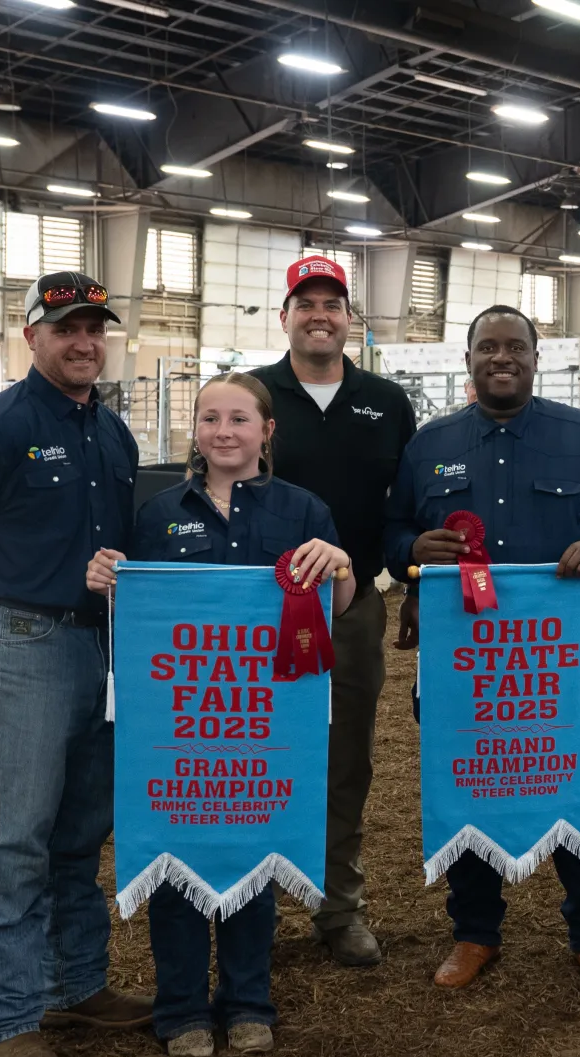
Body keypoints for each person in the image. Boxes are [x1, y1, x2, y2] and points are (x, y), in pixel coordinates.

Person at [0, 271, 150, 1057]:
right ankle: (7, 1019)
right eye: (66, 329)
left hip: (102, 646)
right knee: (16, 839)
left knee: (81, 832)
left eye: (95, 329)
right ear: (33, 338)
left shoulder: (112, 434)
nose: (84, 342)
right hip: (23, 641)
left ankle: (74, 984)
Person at [85, 373, 354, 1057]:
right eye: (210, 419)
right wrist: (107, 578)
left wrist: (341, 566)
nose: (223, 431)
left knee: (253, 858)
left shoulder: (304, 511)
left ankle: (248, 1001)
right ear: (195, 431)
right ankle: (180, 1009)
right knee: (178, 862)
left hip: (267, 720)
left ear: (267, 430)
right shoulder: (156, 512)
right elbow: (137, 609)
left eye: (239, 418)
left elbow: (337, 608)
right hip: (180, 720)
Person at [384, 305, 580, 994]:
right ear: (468, 360)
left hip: (562, 663)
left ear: (535, 357)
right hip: (462, 663)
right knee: (468, 779)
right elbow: (394, 526)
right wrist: (411, 549)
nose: (502, 357)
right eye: (487, 347)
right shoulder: (428, 443)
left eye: (515, 346)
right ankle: (474, 931)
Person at [246, 255, 416, 967]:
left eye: (332, 303)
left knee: (345, 758)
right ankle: (246, 905)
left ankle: (337, 905)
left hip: (351, 605)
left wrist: (407, 586)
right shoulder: (253, 393)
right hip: (254, 607)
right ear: (284, 314)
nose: (320, 314)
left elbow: (406, 506)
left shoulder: (386, 401)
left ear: (350, 318)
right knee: (252, 754)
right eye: (305, 301)